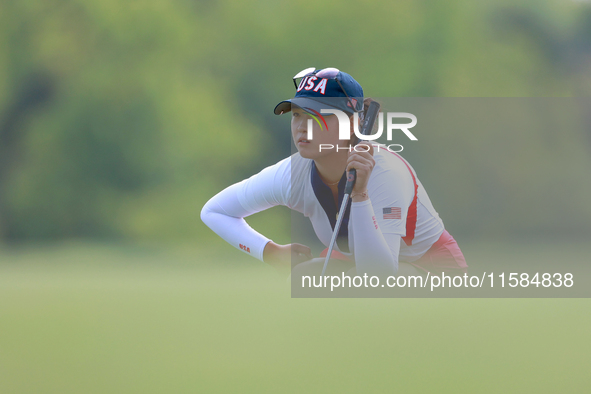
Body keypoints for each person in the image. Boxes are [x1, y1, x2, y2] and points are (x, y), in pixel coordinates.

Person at [201, 67, 467, 278]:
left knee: (360, 286)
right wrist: (270, 252)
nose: (302, 127)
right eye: (296, 115)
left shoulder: (386, 173)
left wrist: (360, 194)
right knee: (305, 276)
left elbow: (380, 277)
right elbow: (215, 211)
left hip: (433, 268)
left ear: (352, 124)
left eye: (318, 116)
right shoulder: (293, 172)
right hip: (359, 265)